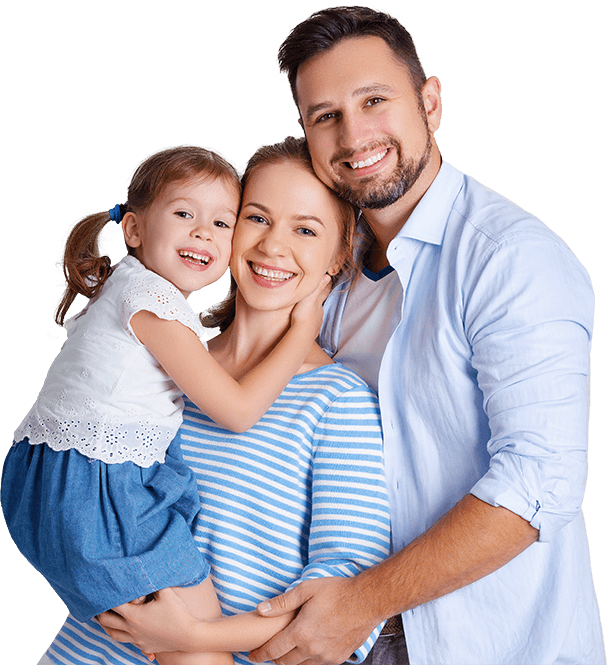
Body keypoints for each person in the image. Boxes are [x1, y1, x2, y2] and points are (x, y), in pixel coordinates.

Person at [236, 6, 603, 665]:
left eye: (373, 100)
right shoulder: (322, 263)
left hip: (482, 644)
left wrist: (357, 604)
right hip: (329, 630)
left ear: (429, 101)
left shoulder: (509, 258)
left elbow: (539, 481)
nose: (353, 135)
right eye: (325, 116)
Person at [34, 136, 391, 665]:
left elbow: (342, 610)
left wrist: (191, 637)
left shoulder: (337, 402)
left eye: (306, 229)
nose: (272, 246)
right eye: (256, 217)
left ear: (339, 257)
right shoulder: (160, 368)